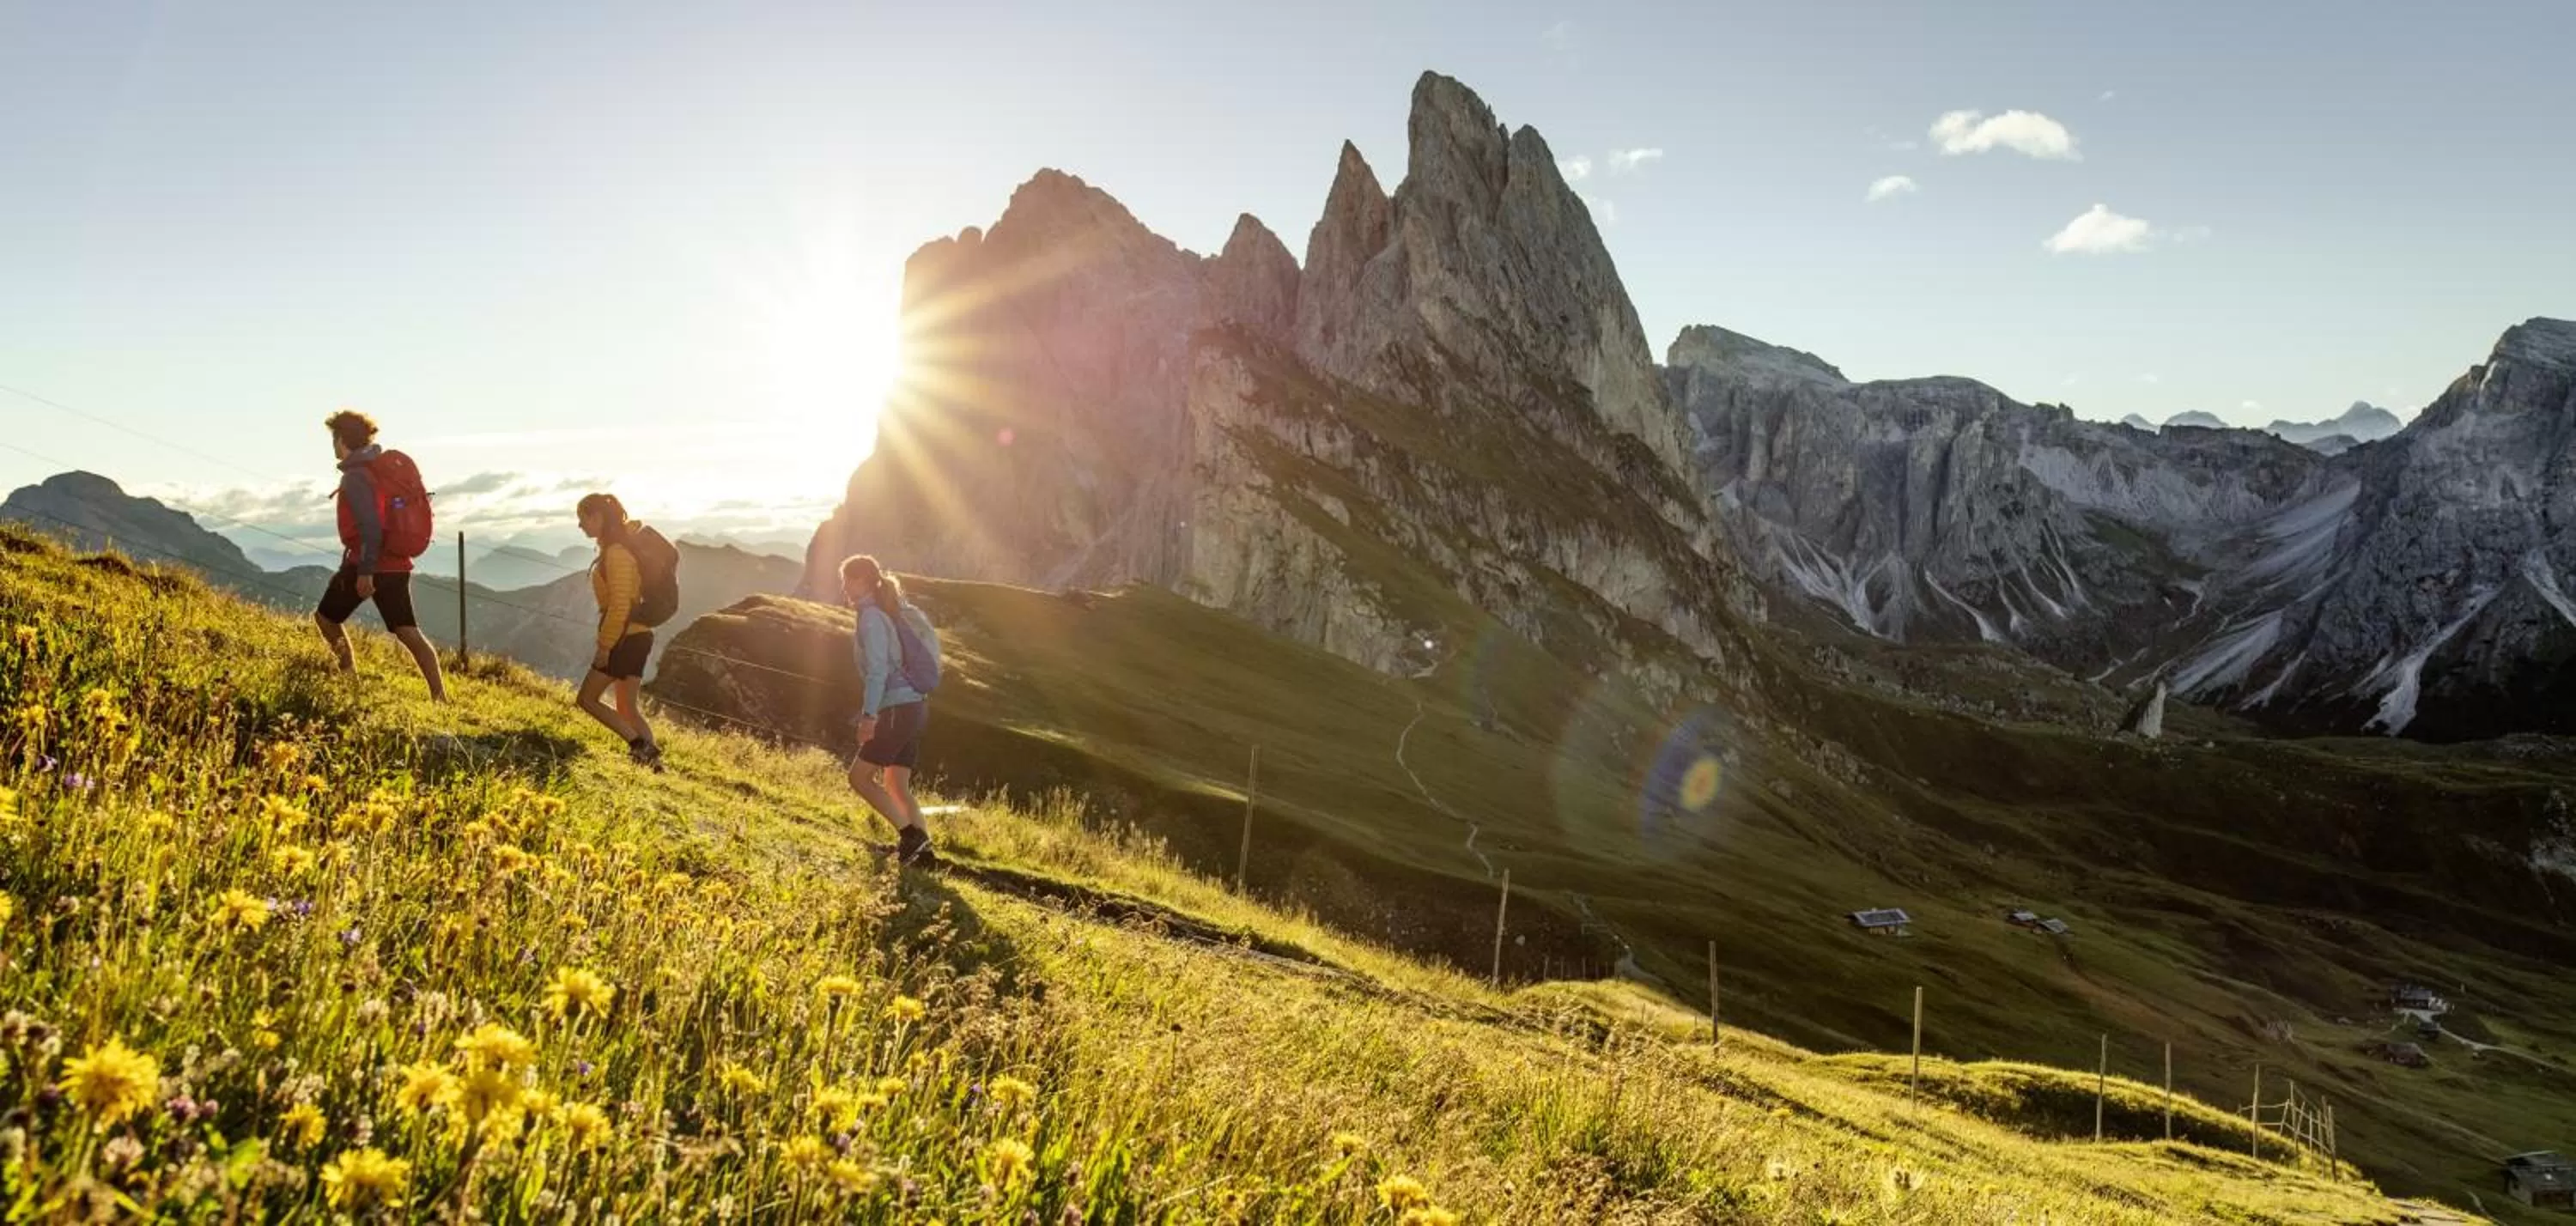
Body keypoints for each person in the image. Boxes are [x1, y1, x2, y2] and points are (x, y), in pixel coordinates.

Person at [313, 410, 447, 701]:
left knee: (326, 618)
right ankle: (440, 696)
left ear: (342, 439)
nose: (333, 446)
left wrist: (365, 571)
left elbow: (371, 526)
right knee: (408, 630)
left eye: (334, 439)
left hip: (367, 562)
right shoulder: (377, 469)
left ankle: (349, 681)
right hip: (398, 563)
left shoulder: (356, 476)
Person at [842, 554, 939, 865]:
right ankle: (924, 857)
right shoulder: (888, 610)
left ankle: (912, 836)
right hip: (915, 705)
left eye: (847, 580)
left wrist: (869, 717)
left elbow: (877, 671)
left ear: (861, 581)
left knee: (859, 778)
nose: (844, 587)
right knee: (896, 783)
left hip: (896, 707)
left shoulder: (871, 616)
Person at [575, 493, 664, 770]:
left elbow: (620, 605)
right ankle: (653, 764)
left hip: (625, 638)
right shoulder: (616, 549)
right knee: (627, 708)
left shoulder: (617, 553)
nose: (580, 526)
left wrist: (605, 647)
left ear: (598, 518)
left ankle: (639, 746)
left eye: (583, 519)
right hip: (637, 636)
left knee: (587, 699)